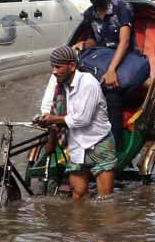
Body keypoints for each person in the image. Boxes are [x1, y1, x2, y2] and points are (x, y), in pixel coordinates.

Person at [74, 0, 149, 141]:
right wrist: (83, 45)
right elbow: (94, 40)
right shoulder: (88, 15)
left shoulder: (122, 9)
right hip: (103, 62)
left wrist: (111, 70)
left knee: (111, 92)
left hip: (127, 62)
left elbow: (124, 41)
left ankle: (116, 145)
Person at [35, 46, 116, 200]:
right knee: (77, 196)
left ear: (72, 66)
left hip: (99, 145)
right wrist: (51, 140)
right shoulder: (61, 86)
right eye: (53, 66)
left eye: (58, 67)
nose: (54, 71)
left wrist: (53, 119)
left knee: (105, 201)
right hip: (77, 145)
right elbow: (55, 112)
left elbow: (81, 120)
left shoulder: (88, 84)